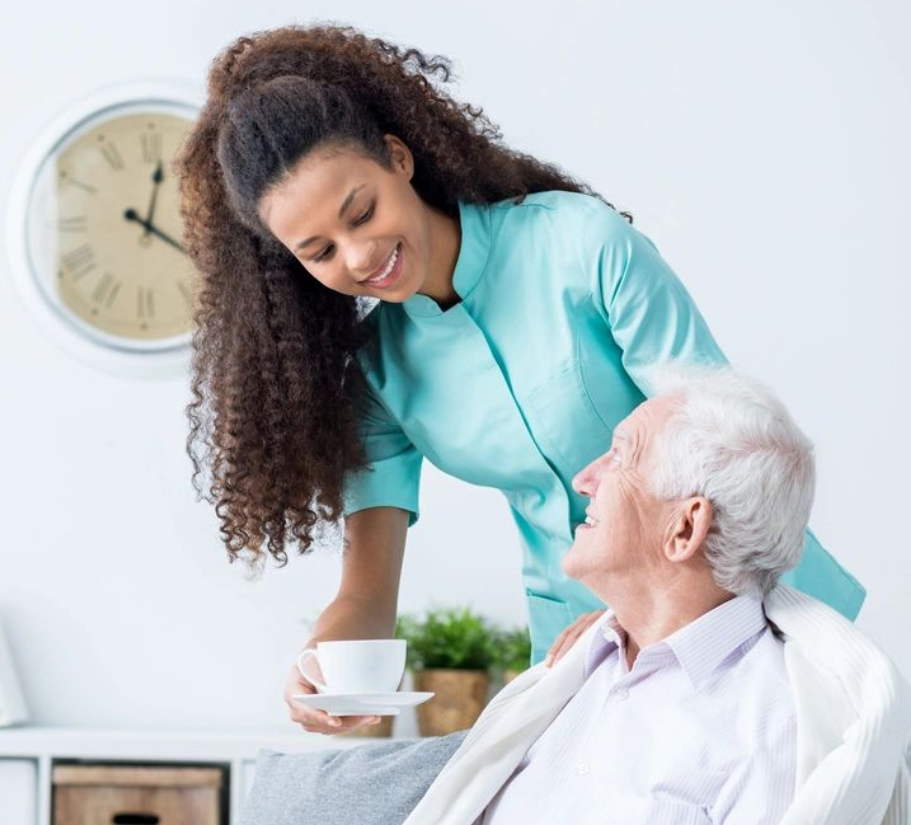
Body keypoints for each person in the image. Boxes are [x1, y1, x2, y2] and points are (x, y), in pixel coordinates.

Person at [175, 24, 864, 735]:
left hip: (753, 610)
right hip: (581, 655)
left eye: (363, 212)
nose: (359, 255)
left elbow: (728, 448)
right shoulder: (378, 374)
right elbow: (368, 591)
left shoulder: (578, 245)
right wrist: (325, 663)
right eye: (319, 251)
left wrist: (642, 607)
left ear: (397, 158)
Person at [393, 365, 910, 825]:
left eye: (619, 455)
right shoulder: (577, 669)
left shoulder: (769, 732)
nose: (583, 479)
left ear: (684, 528)